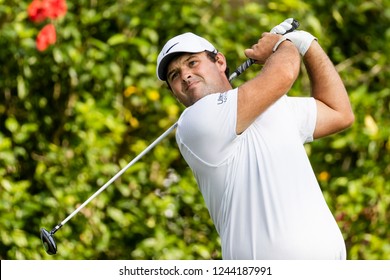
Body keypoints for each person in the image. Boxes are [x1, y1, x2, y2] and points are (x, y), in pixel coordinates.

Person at [156, 19, 354, 260]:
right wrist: (284, 44)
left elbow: (339, 113)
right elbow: (283, 73)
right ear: (174, 92)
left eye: (192, 62)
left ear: (219, 61)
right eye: (174, 75)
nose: (185, 75)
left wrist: (308, 44)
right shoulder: (195, 122)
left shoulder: (275, 107)